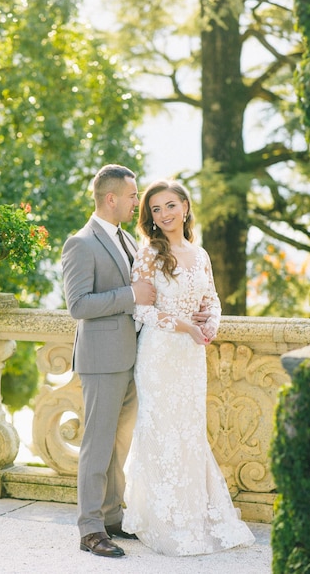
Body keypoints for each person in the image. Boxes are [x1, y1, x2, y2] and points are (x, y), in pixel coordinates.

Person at [122, 179, 256, 556]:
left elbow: (211, 299)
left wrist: (210, 323)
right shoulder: (149, 254)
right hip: (160, 352)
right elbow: (141, 309)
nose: (163, 215)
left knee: (189, 431)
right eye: (155, 209)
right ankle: (159, 518)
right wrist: (185, 326)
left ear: (184, 206)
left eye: (169, 206)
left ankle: (192, 513)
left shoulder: (201, 255)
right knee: (161, 430)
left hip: (192, 356)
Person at [61, 164, 156, 558]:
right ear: (112, 198)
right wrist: (132, 296)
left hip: (131, 358)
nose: (138, 203)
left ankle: (112, 517)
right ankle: (90, 529)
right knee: (96, 446)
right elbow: (78, 305)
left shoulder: (125, 238)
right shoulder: (80, 243)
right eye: (133, 196)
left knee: (119, 446)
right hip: (101, 361)